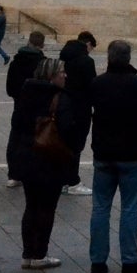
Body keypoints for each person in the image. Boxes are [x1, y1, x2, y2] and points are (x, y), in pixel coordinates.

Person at [8, 57, 83, 270]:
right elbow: (68, 130)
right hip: (50, 158)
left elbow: (16, 125)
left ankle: (27, 253)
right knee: (47, 207)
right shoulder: (59, 98)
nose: (65, 76)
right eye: (61, 72)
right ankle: (40, 253)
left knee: (31, 205)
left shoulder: (26, 94)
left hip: (27, 156)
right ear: (51, 75)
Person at [88, 40, 137, 273]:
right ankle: (129, 260)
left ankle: (97, 261)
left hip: (103, 152)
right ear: (128, 58)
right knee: (130, 208)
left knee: (100, 207)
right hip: (131, 153)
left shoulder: (97, 83)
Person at [4, 31, 48, 188]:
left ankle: (14, 175)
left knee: (15, 140)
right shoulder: (43, 63)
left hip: (19, 107)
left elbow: (10, 88)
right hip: (37, 109)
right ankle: (32, 173)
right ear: (42, 44)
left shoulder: (16, 62)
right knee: (36, 142)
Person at [59, 31, 97, 195]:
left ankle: (63, 179)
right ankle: (73, 181)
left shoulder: (64, 56)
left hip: (64, 104)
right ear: (88, 44)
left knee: (64, 143)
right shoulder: (86, 61)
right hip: (81, 107)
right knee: (77, 144)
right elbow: (92, 85)